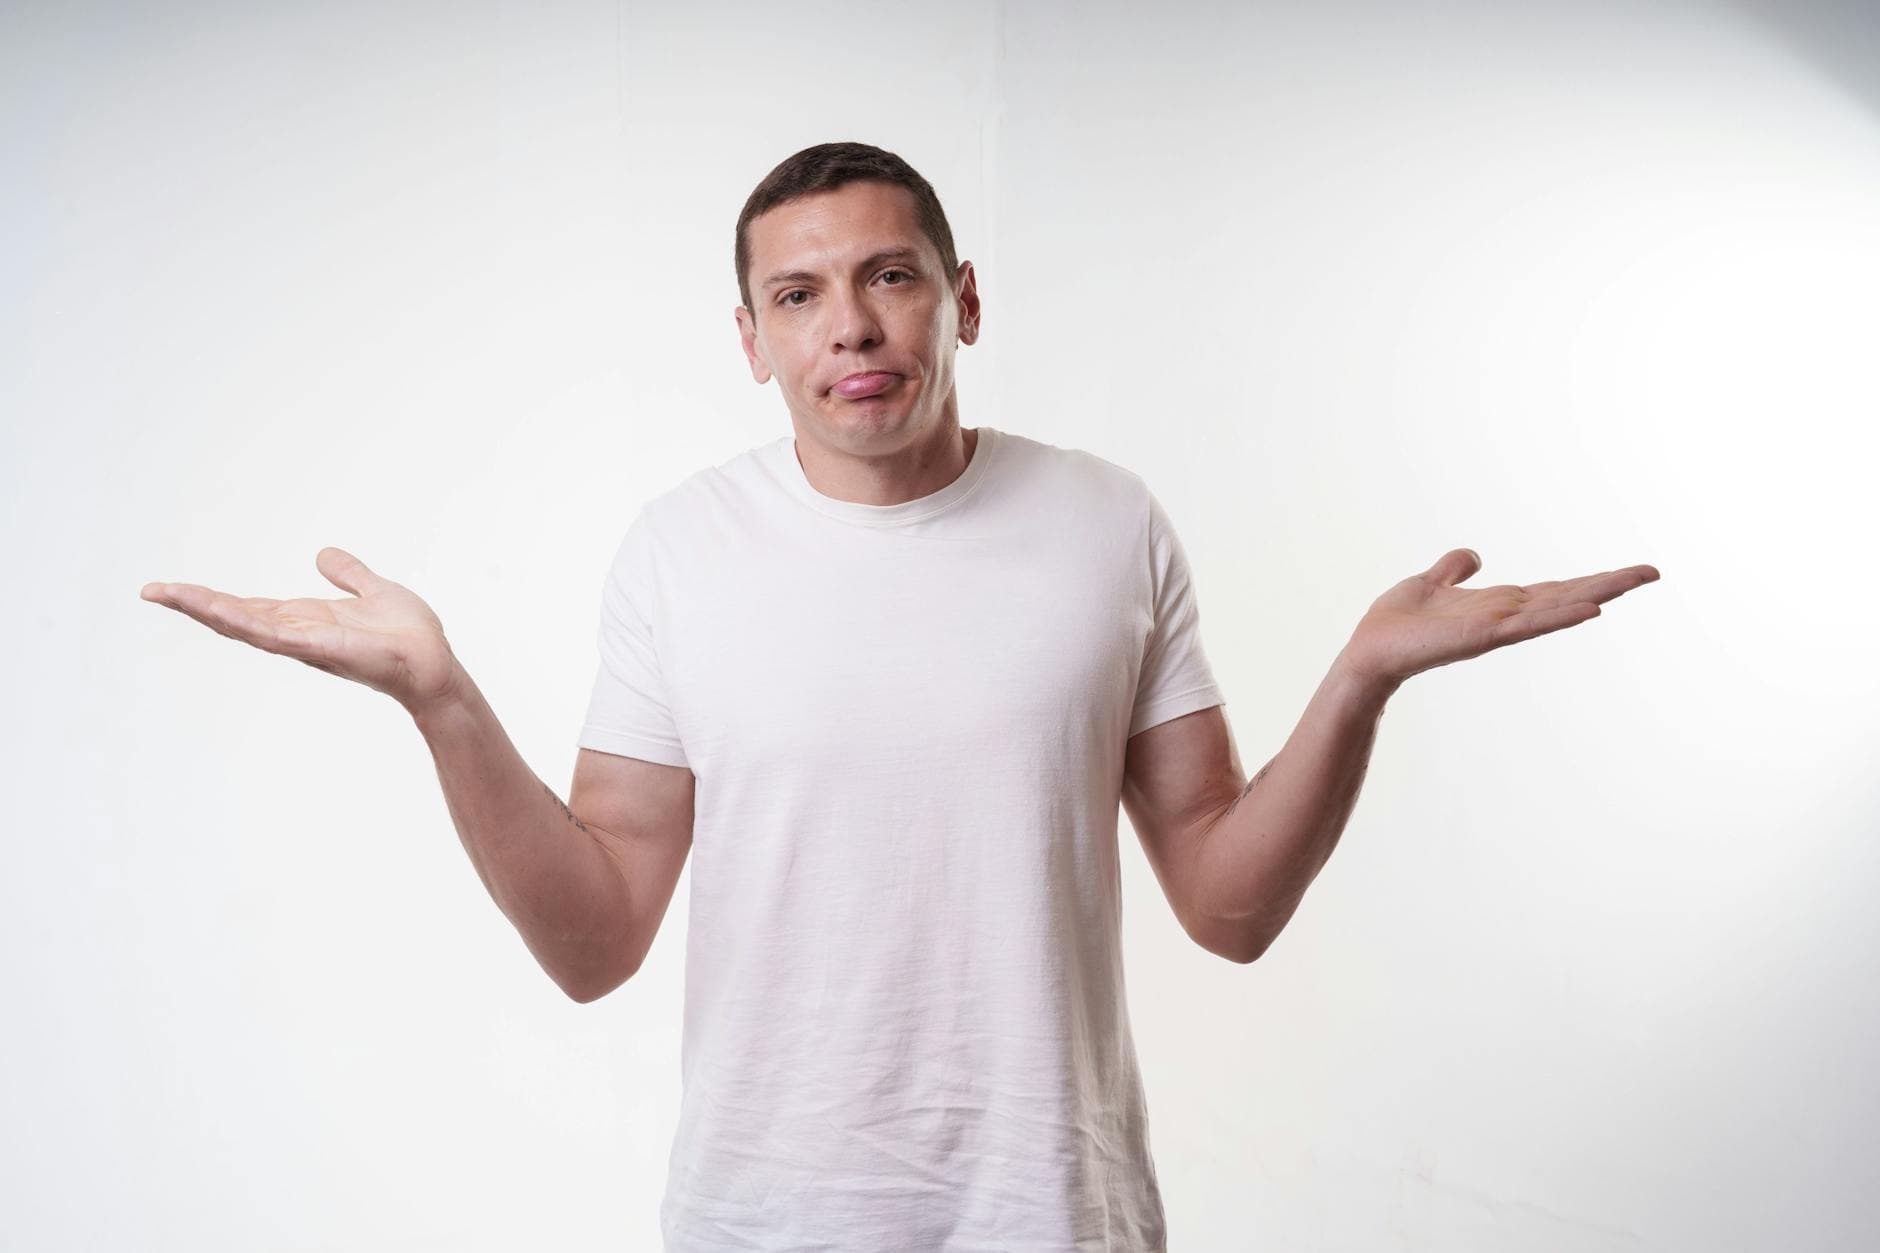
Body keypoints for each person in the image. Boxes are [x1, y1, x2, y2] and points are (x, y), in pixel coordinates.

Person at [140, 140, 1661, 1252]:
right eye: (797, 295)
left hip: (1057, 1216)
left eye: (889, 276)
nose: (851, 327)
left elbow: (1227, 902)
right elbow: (597, 941)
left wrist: (1362, 679)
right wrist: (444, 702)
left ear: (962, 298)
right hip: (767, 1218)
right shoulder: (680, 551)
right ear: (752, 342)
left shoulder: (1107, 524)